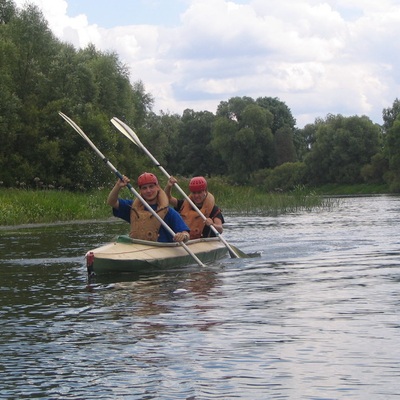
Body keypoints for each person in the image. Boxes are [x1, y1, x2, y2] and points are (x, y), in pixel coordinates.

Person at [107, 172, 190, 243]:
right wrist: (118, 186)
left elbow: (186, 233)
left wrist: (182, 236)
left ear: (157, 187)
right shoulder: (133, 207)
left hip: (161, 249)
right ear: (140, 191)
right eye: (144, 188)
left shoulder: (169, 212)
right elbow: (112, 202)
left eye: (151, 186)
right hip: (138, 247)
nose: (148, 191)